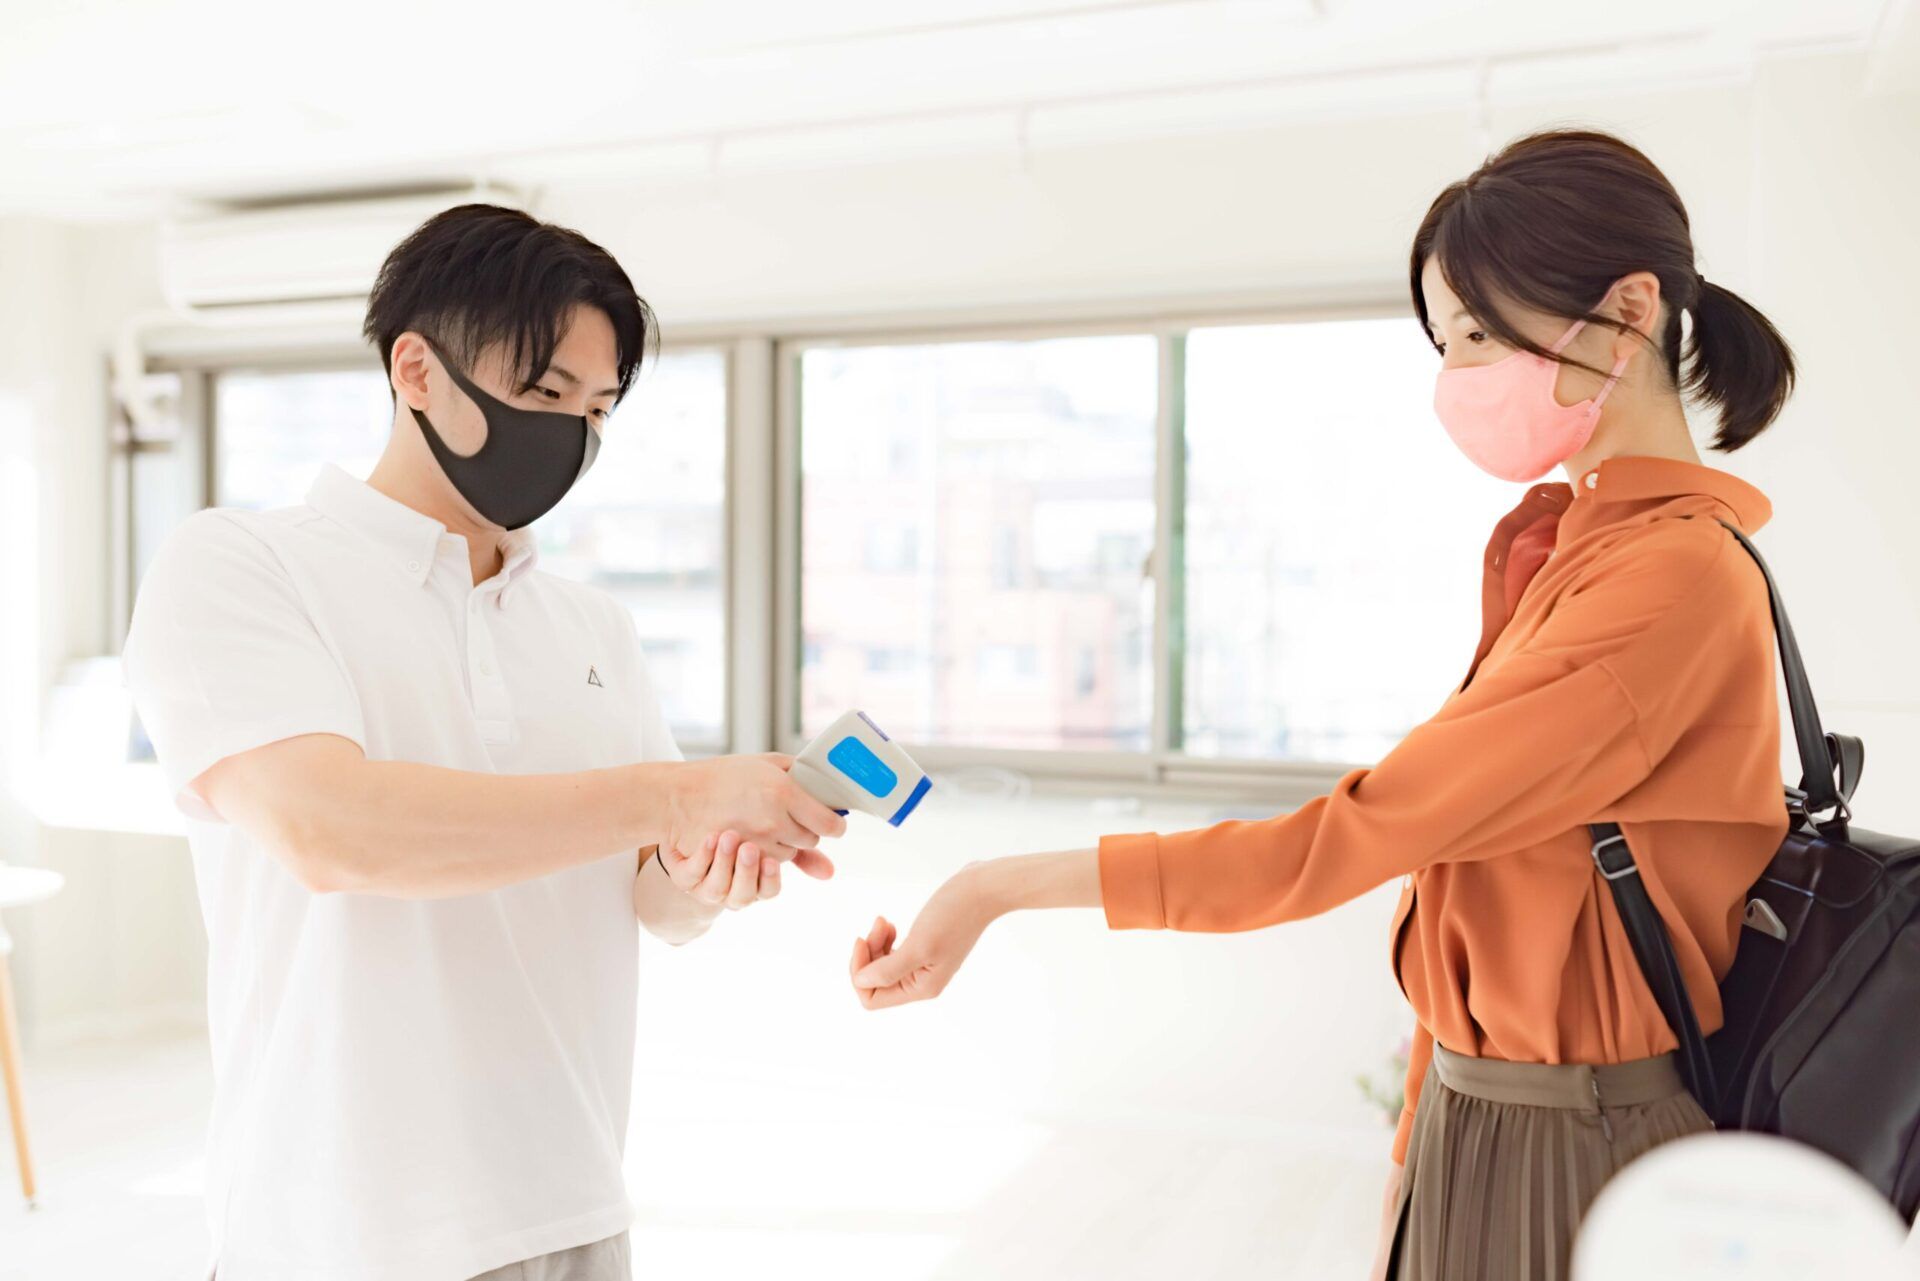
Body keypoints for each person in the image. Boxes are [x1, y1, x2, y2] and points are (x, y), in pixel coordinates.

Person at [849, 128, 1797, 1281]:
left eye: (1482, 335)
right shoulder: (1575, 552)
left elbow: (1363, 833)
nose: (1460, 374)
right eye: (1446, 343)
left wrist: (997, 887)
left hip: (1573, 1138)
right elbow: (1462, 870)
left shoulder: (1669, 578)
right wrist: (1417, 1134)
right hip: (1483, 1111)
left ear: (1630, 309)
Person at [123, 203, 848, 1281]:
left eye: (597, 408)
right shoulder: (241, 566)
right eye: (545, 394)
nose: (572, 436)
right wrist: (675, 796)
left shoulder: (593, 626)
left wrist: (709, 866)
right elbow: (332, 833)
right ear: (416, 369)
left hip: (573, 1203)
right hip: (338, 1233)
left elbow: (655, 902)